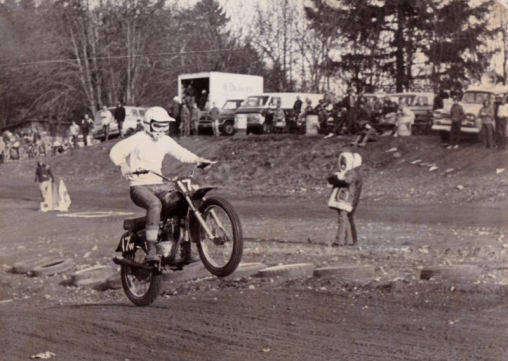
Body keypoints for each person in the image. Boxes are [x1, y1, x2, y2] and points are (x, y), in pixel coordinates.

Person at [109, 106, 212, 263]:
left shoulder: (165, 140)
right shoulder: (137, 139)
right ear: (148, 124)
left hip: (160, 184)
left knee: (184, 202)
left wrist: (199, 160)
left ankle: (186, 250)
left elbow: (182, 153)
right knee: (155, 204)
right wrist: (124, 166)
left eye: (165, 126)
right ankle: (151, 250)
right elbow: (115, 152)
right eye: (158, 125)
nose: (162, 130)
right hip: (139, 186)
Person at [327, 152, 362, 246]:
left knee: (343, 219)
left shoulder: (351, 173)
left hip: (345, 199)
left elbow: (345, 181)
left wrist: (336, 179)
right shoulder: (350, 173)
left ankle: (340, 241)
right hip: (344, 199)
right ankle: (349, 240)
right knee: (345, 219)